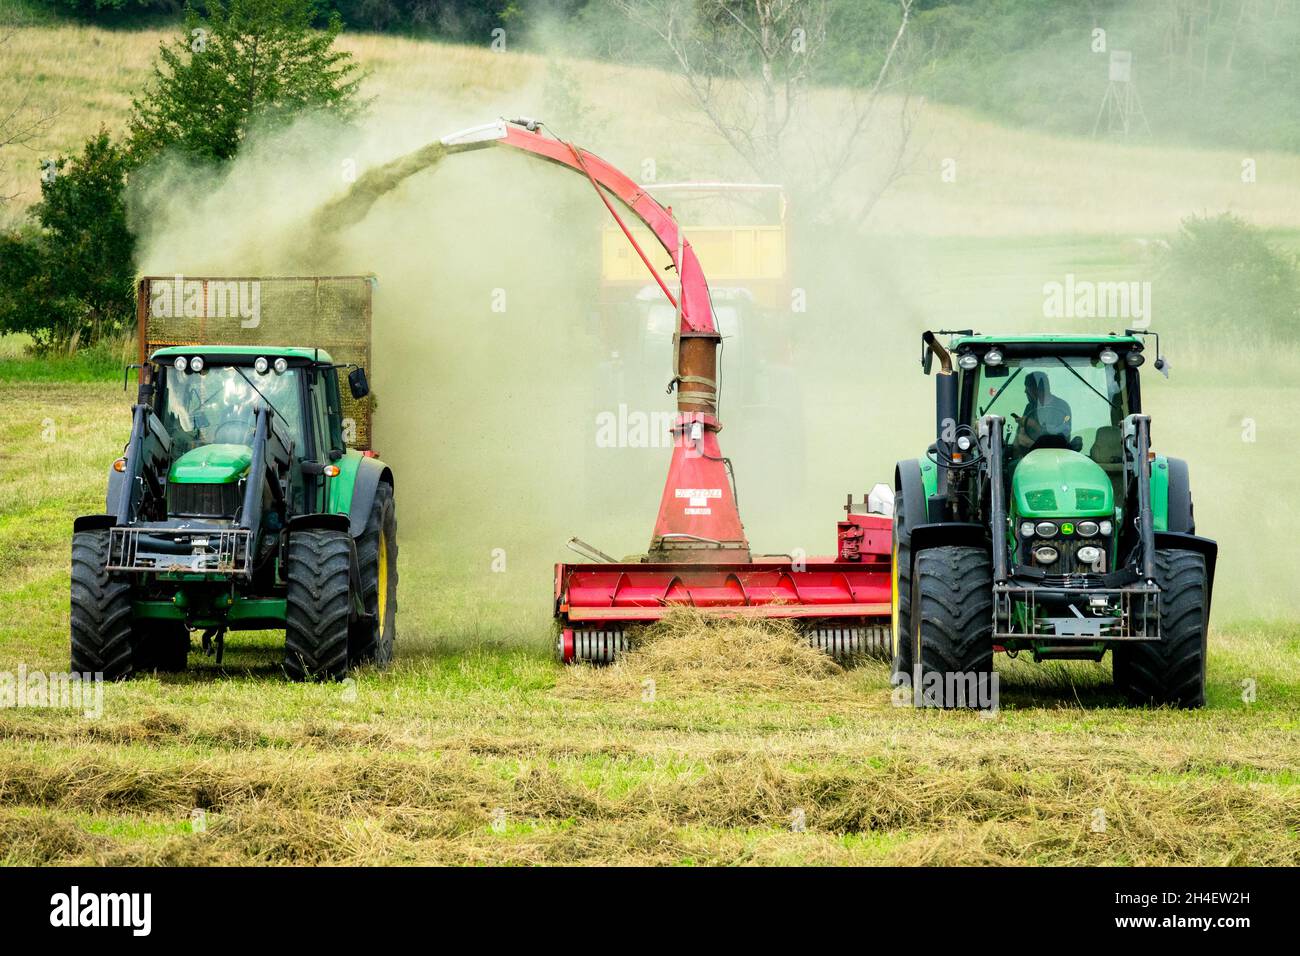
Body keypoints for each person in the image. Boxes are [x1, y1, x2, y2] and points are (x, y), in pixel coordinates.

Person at [1013, 371, 1072, 450]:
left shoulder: (1061, 407)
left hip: (1056, 455)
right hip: (1029, 456)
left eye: (1027, 388)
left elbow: (1060, 438)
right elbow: (1019, 436)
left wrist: (1032, 424)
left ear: (1036, 389)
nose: (1025, 391)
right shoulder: (1030, 407)